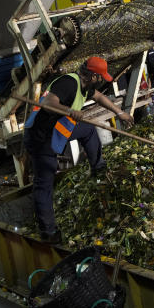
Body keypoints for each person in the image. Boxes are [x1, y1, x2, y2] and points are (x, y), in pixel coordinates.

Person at [24, 56, 134, 243]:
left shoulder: (86, 86)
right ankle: (48, 232)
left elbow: (98, 96)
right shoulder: (68, 83)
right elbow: (48, 103)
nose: (101, 81)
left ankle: (98, 167)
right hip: (41, 138)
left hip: (57, 130)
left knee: (89, 130)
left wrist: (119, 112)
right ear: (92, 76)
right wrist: (69, 111)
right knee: (44, 184)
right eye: (100, 77)